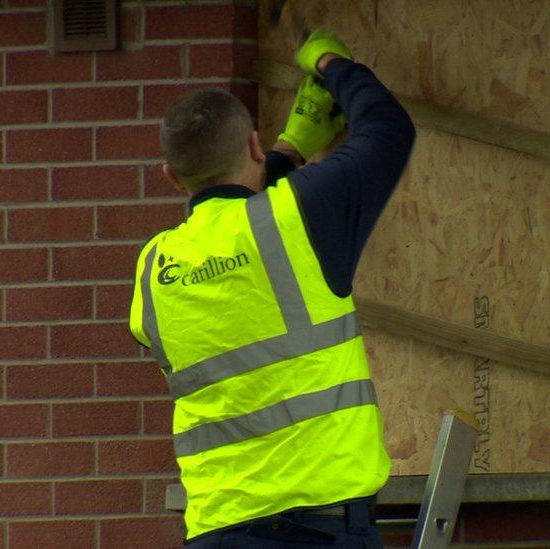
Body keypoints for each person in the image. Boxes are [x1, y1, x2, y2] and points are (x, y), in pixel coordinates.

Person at [129, 29, 415, 547]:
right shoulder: (296, 219)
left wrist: (292, 149)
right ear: (253, 145)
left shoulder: (154, 268)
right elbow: (389, 131)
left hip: (217, 529)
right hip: (319, 526)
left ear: (171, 177)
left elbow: (227, 227)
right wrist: (327, 62)